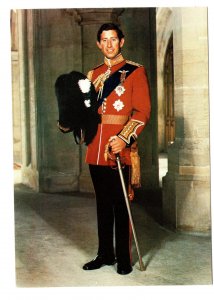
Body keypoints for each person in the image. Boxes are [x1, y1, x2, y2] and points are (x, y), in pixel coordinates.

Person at [83, 23, 151, 275]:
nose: (109, 44)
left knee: (121, 204)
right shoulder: (93, 74)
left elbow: (142, 111)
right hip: (95, 148)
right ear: (99, 44)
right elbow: (88, 112)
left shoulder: (135, 72)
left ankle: (123, 257)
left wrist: (124, 138)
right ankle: (104, 253)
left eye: (114, 39)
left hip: (118, 148)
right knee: (102, 204)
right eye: (104, 40)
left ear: (121, 42)